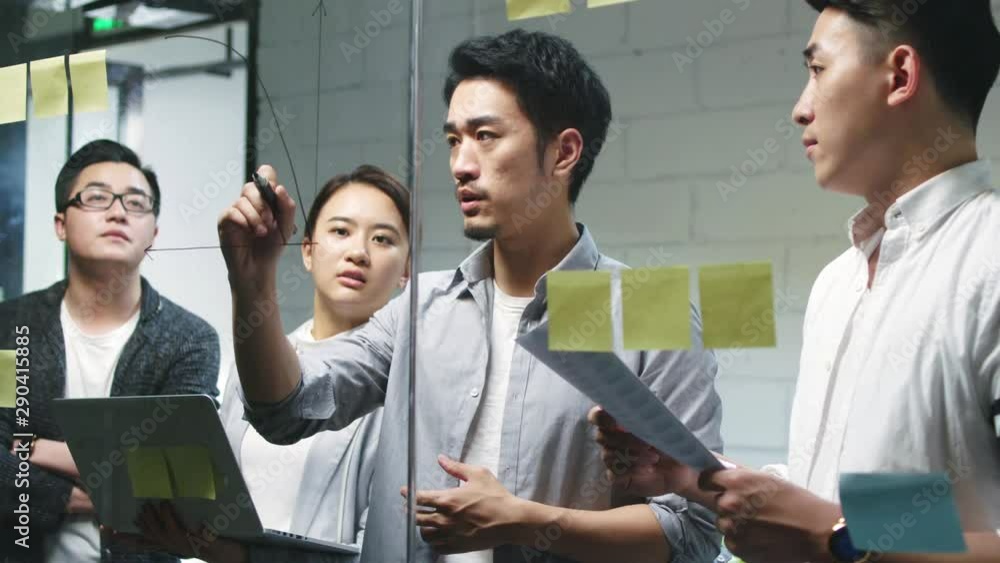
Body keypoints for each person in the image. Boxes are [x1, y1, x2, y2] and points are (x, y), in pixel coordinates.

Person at [217, 30, 724, 563]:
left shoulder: (650, 311)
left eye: (485, 135)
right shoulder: (422, 307)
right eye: (454, 139)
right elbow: (287, 411)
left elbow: (690, 531)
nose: (460, 163)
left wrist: (529, 523)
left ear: (564, 152)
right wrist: (253, 284)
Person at [591, 1, 1000, 562]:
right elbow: (893, 507)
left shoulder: (990, 257)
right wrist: (691, 477)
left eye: (817, 70)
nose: (799, 110)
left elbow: (834, 527)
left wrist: (834, 538)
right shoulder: (839, 283)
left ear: (900, 76)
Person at [114, 165, 410, 563]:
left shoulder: (404, 387)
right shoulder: (257, 363)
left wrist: (233, 556)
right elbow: (214, 501)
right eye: (341, 231)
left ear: (406, 270)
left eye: (383, 238)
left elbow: (380, 555)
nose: (358, 251)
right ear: (307, 250)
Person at [0, 139, 221, 563]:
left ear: (153, 234)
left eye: (136, 203)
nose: (118, 212)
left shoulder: (189, 339)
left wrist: (35, 449)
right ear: (61, 223)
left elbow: (179, 477)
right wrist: (70, 496)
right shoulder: (12, 327)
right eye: (97, 198)